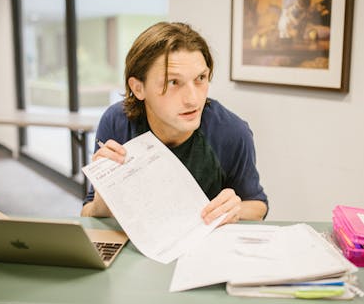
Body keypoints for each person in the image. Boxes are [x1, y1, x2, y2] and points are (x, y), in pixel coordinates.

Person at [81, 22, 268, 225]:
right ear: (138, 88)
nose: (193, 99)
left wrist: (236, 209)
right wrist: (104, 199)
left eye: (201, 78)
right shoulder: (117, 122)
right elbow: (88, 213)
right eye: (173, 82)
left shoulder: (231, 132)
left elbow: (258, 206)